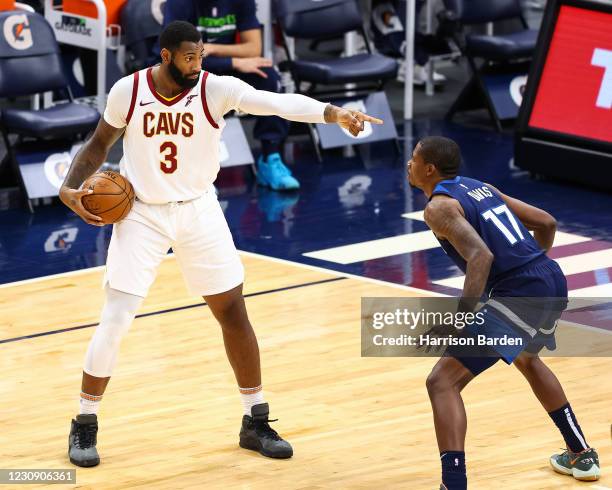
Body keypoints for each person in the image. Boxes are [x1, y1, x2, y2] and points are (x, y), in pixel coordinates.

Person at [59, 20, 382, 468]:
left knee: (233, 311)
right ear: (166, 55)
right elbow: (98, 147)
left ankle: (255, 418)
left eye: (201, 56)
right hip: (142, 214)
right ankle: (84, 422)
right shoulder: (127, 91)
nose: (197, 64)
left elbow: (277, 103)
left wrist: (332, 112)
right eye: (189, 57)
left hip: (198, 209)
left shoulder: (215, 89)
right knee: (116, 318)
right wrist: (68, 188)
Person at [406, 136, 600, 489]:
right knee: (528, 359)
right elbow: (547, 223)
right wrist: (529, 270)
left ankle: (454, 483)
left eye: (413, 159)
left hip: (520, 293)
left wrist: (461, 319)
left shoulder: (438, 208)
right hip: (549, 277)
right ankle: (580, 453)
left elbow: (481, 257)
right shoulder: (480, 187)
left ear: (429, 169)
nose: (409, 164)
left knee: (442, 381)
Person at [159, 0, 298, 191]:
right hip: (181, 69)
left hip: (221, 64)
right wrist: (232, 62)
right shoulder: (180, 4)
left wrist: (214, 49)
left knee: (268, 78)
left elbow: (253, 48)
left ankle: (270, 158)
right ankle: (192, 173)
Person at [371, 0, 448, 85]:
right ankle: (415, 65)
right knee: (401, 37)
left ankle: (416, 63)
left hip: (400, 33)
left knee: (431, 41)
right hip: (386, 40)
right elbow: (392, 32)